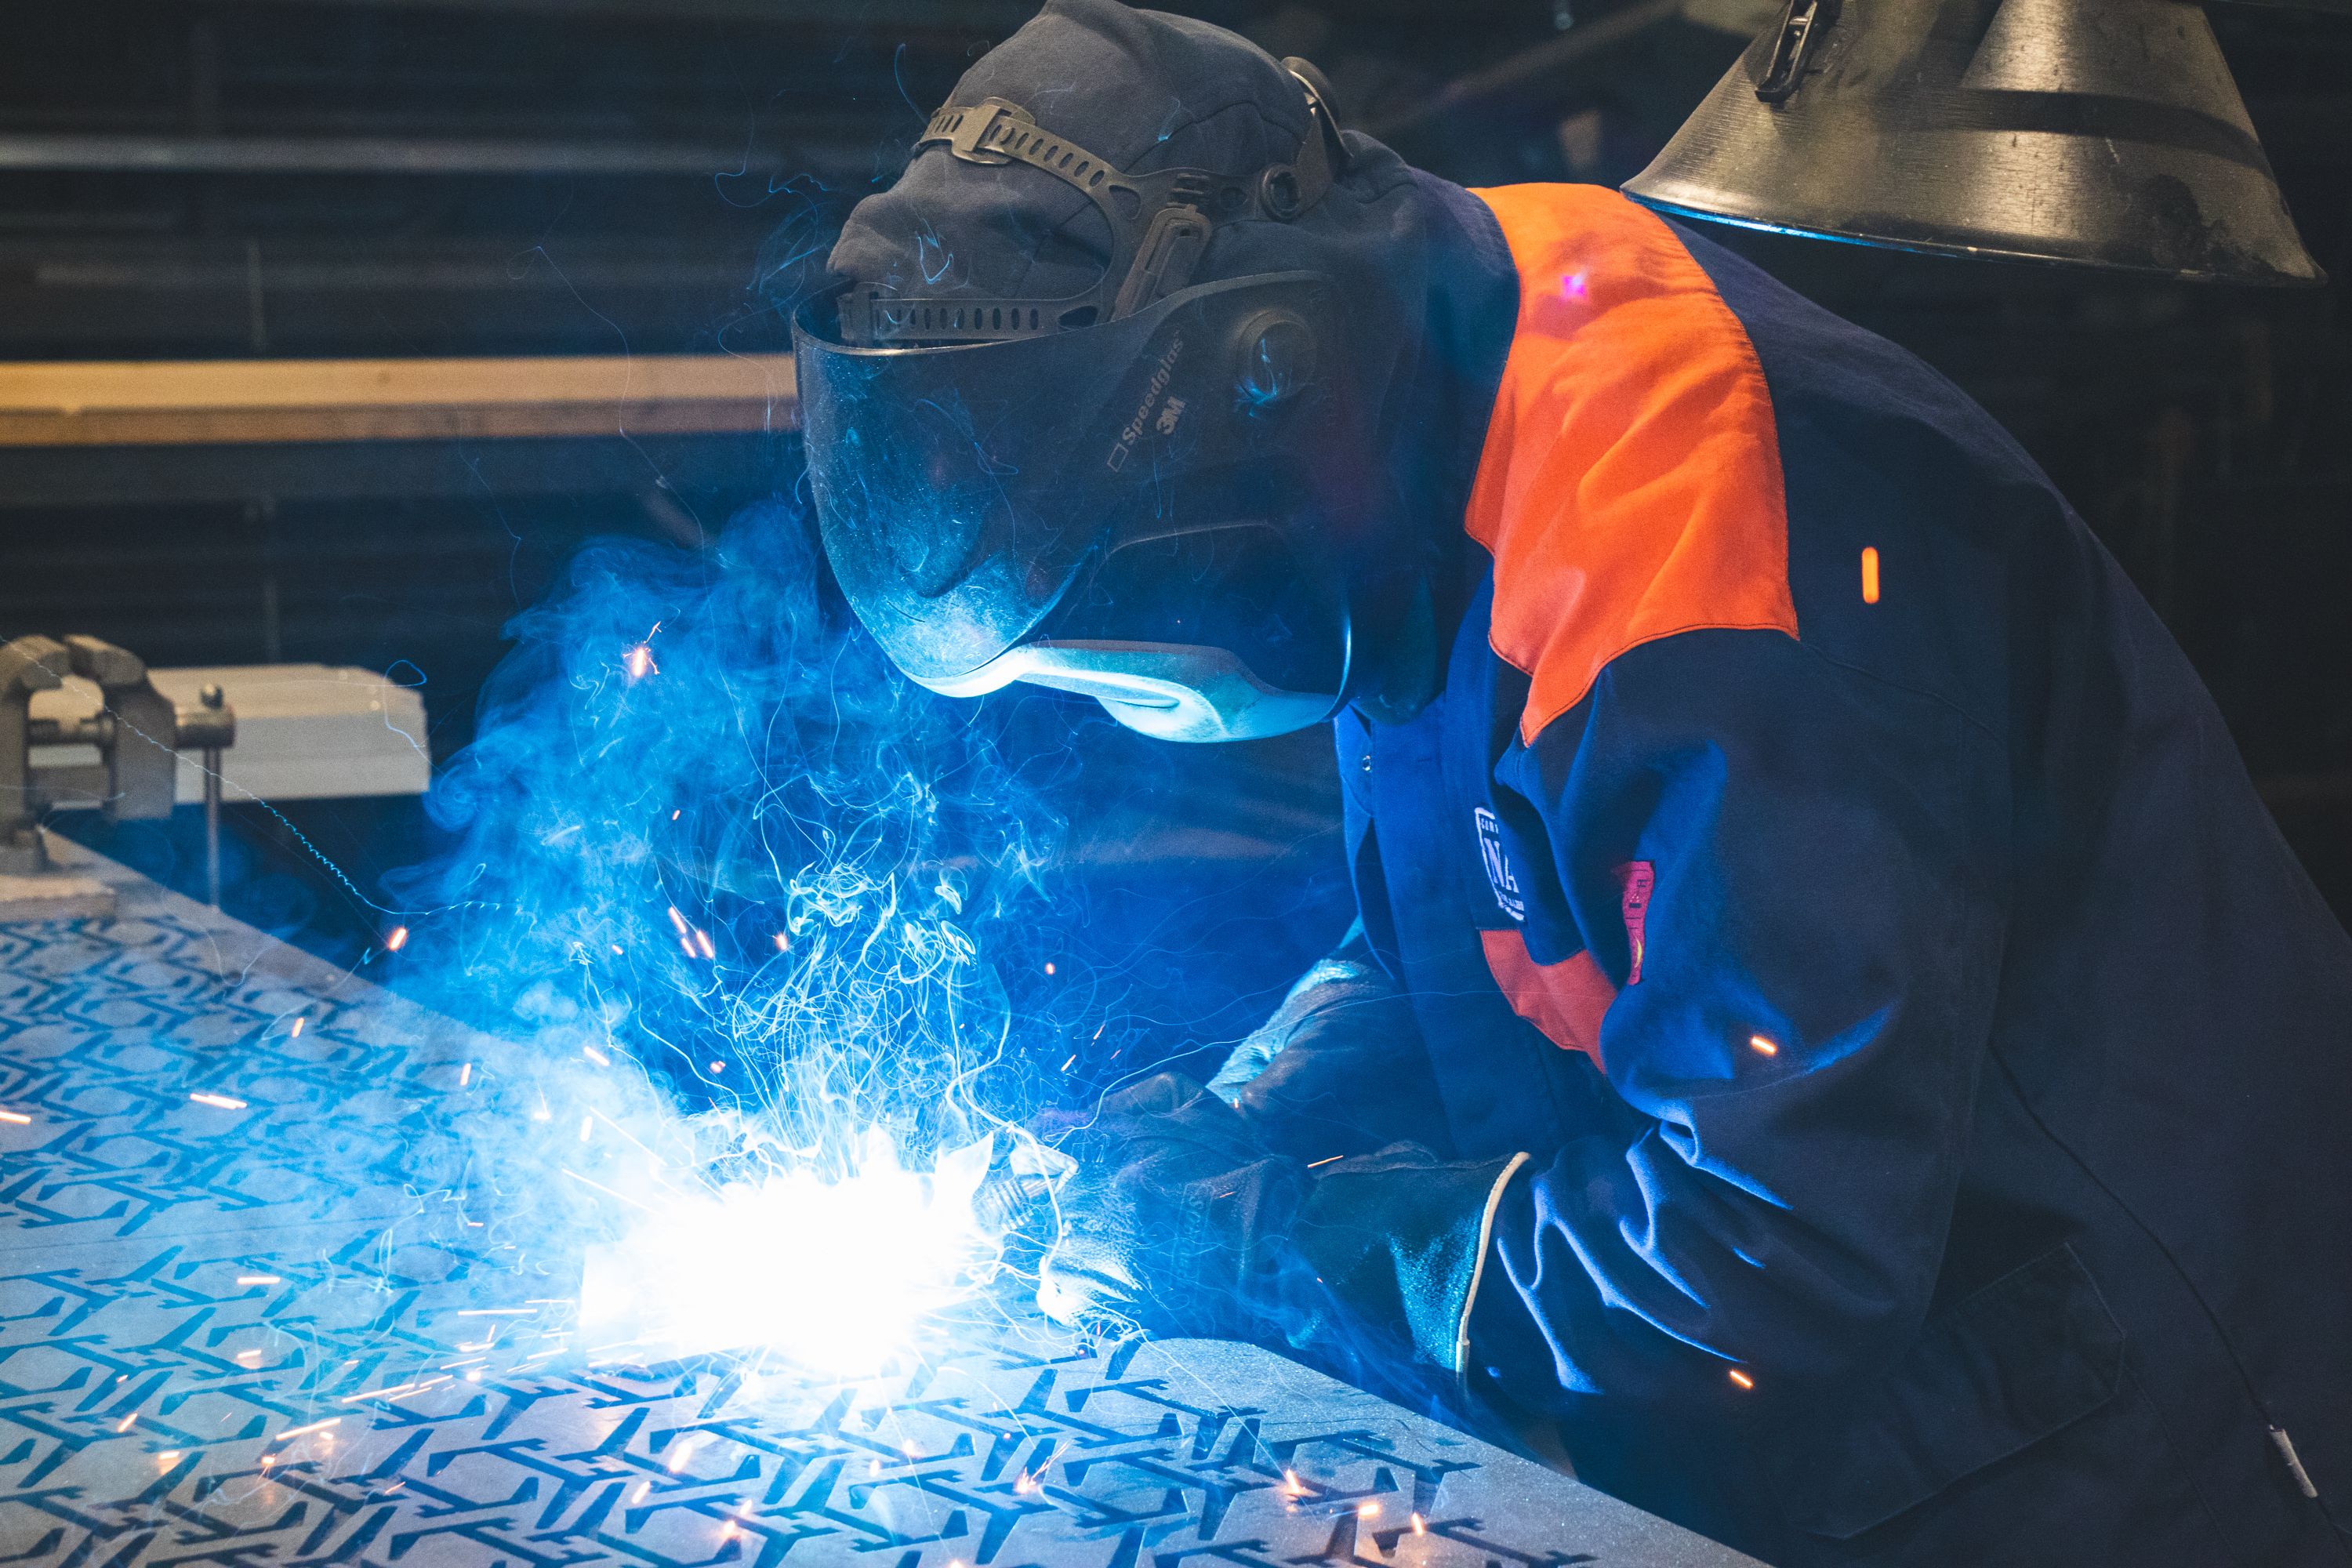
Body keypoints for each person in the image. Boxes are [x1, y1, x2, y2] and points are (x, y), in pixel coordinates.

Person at [790, 2, 2352, 1563]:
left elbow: (1776, 1250)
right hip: (1899, 1417)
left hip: (2140, 1427)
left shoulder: (1700, 557)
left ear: (1272, 368)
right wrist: (1228, 1129)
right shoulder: (1437, 379)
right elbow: (1481, 932)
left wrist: (1291, 1242)